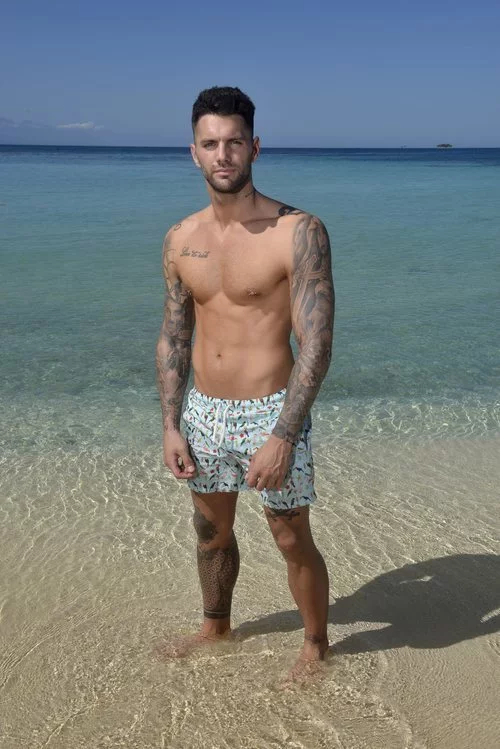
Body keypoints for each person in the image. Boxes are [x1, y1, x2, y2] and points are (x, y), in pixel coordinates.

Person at [156, 86, 334, 680]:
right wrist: (171, 424)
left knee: (290, 536)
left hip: (272, 409)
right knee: (211, 532)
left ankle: (315, 644)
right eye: (210, 144)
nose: (223, 154)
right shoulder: (180, 238)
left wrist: (283, 435)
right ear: (193, 153)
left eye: (234, 142)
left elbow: (316, 344)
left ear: (255, 147)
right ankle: (216, 629)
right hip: (203, 412)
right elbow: (174, 335)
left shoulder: (297, 231)